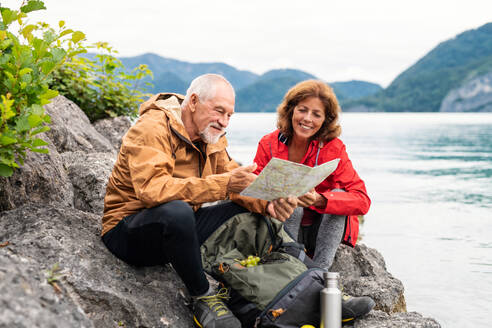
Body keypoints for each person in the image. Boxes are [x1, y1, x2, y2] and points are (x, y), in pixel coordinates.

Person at [101, 74, 297, 328]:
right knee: (178, 212)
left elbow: (235, 183)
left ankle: (312, 283)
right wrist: (224, 184)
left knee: (250, 214)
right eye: (219, 111)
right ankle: (203, 296)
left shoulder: (211, 134)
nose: (224, 121)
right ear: (193, 101)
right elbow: (152, 190)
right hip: (128, 231)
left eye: (229, 115)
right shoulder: (152, 127)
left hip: (178, 233)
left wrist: (267, 204)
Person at [252, 79, 375, 322]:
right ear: (291, 111)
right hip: (284, 229)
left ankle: (319, 273)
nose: (308, 119)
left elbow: (362, 200)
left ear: (325, 120)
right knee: (292, 203)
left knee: (338, 197)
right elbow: (252, 190)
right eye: (302, 110)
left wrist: (321, 200)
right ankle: (306, 278)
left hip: (322, 232)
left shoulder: (334, 148)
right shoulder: (269, 143)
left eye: (316, 114)